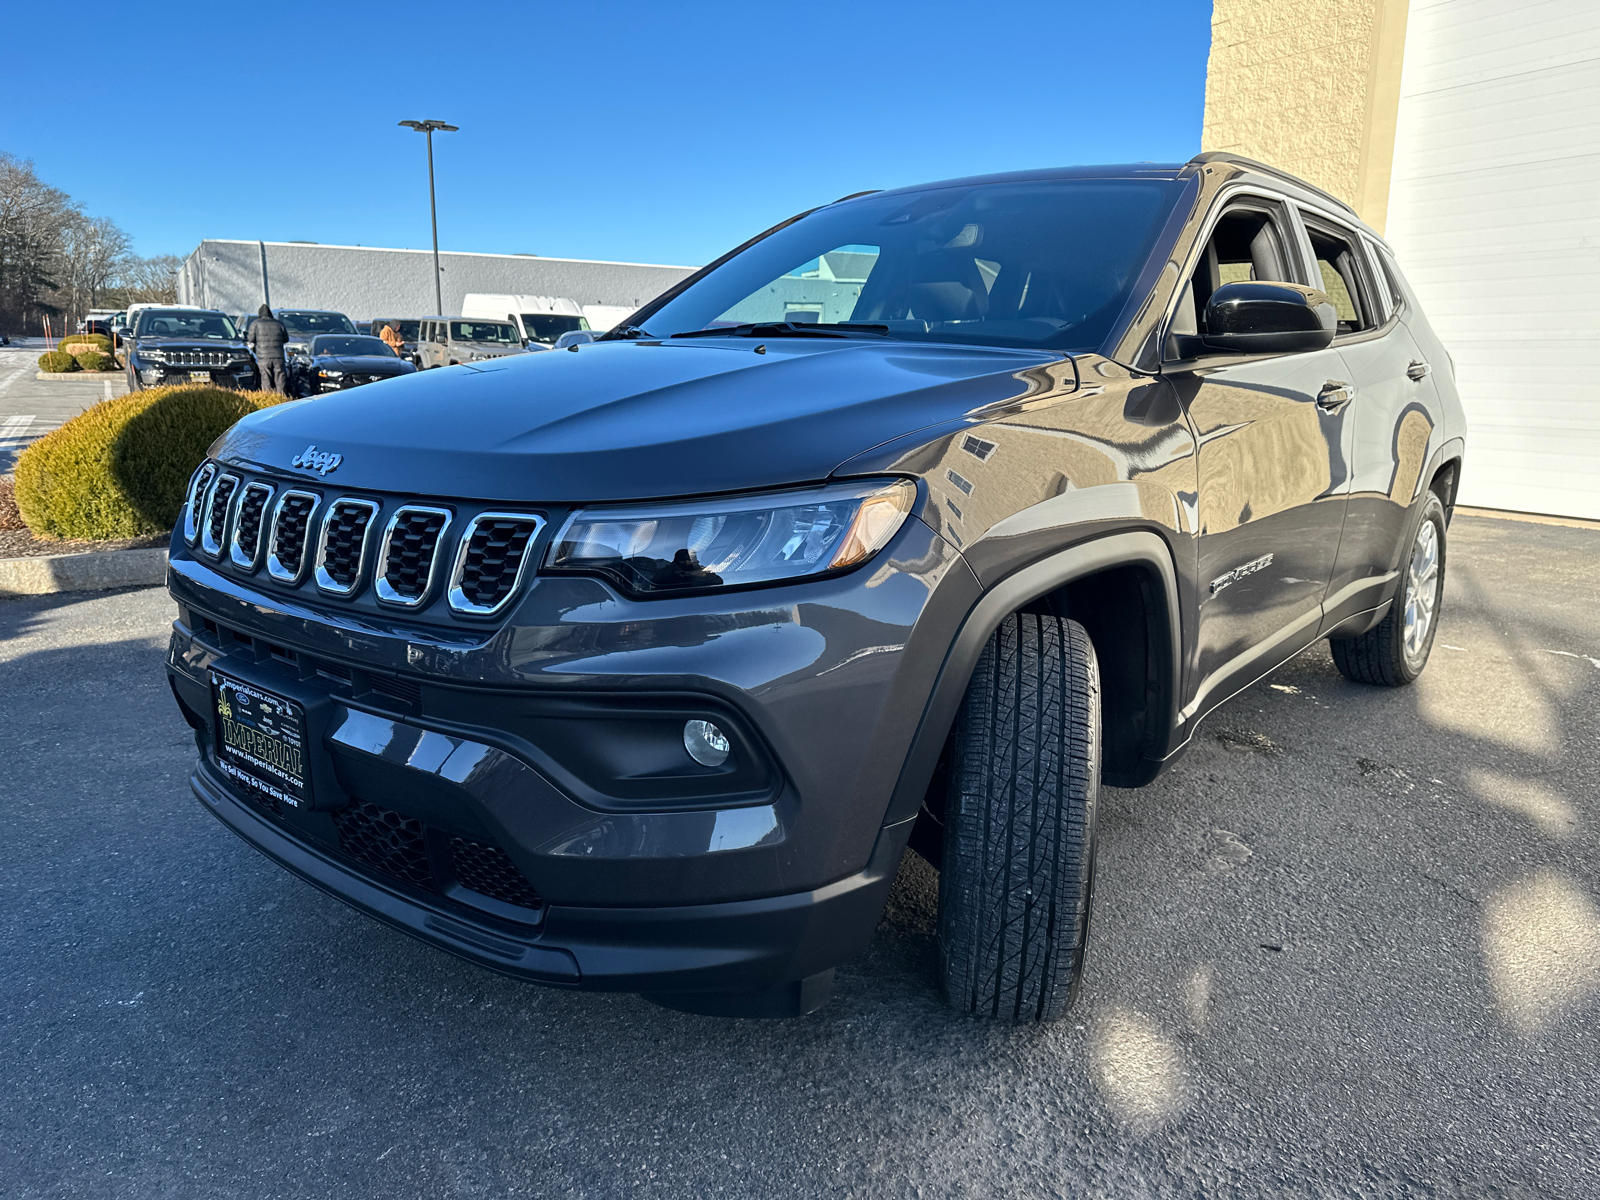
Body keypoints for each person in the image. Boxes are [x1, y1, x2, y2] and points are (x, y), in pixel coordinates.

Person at [247, 304, 289, 394]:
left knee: (265, 378)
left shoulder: (255, 324)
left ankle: (268, 399)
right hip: (278, 356)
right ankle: (281, 398)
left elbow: (250, 339)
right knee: (280, 378)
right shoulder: (279, 324)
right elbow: (286, 339)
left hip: (263, 356)